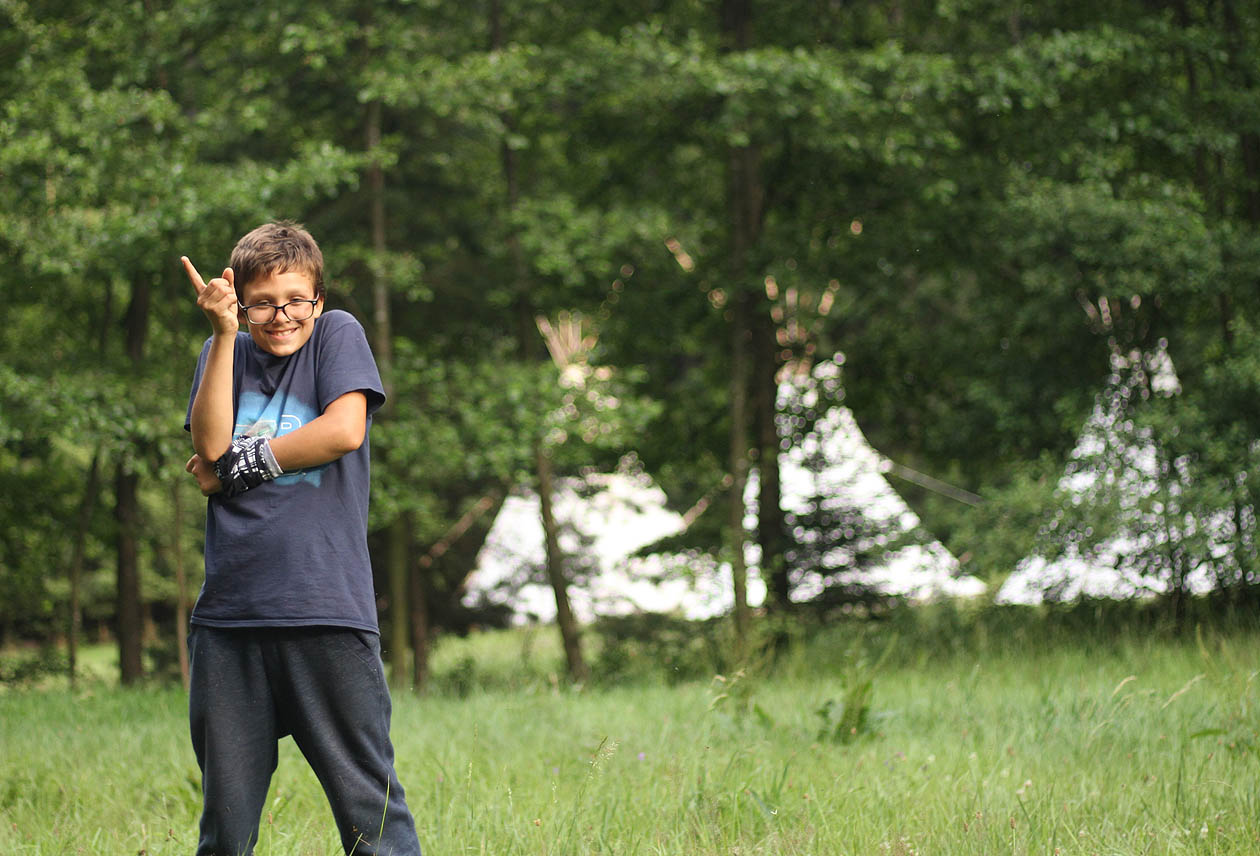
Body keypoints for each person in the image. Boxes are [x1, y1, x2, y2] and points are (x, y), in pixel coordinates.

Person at [181, 221, 422, 856]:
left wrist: (240, 466)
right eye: (262, 303)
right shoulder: (224, 351)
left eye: (296, 300)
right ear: (241, 303)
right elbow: (210, 445)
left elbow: (343, 431)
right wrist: (223, 334)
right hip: (230, 619)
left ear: (318, 297)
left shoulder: (337, 335)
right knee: (225, 826)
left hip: (325, 609)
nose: (281, 316)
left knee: (370, 815)